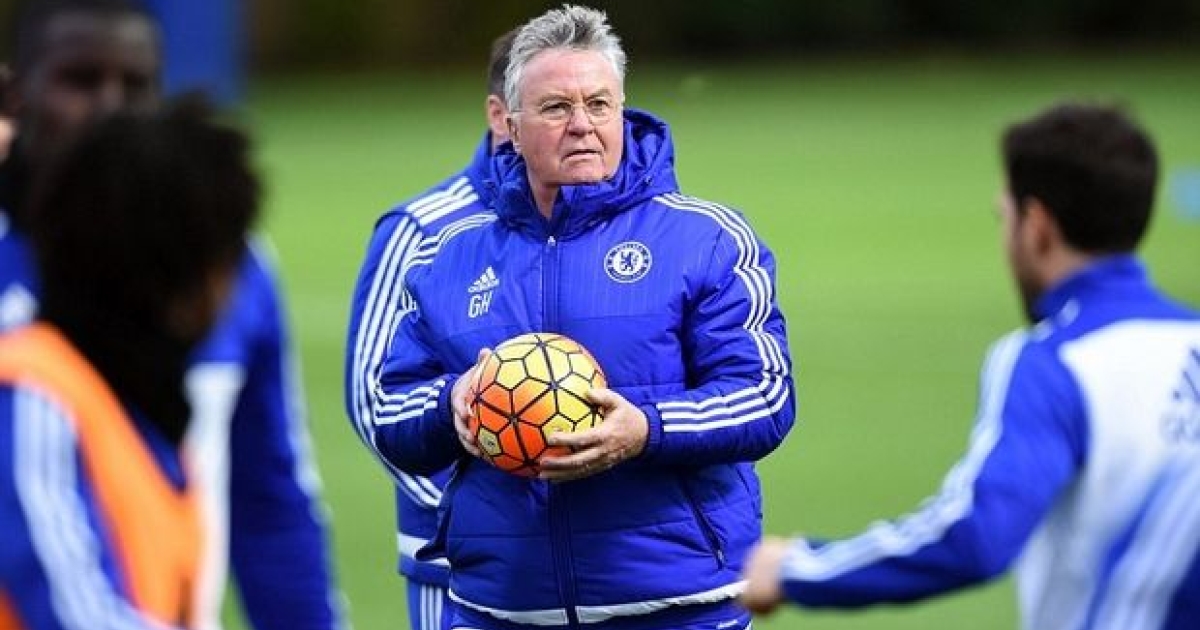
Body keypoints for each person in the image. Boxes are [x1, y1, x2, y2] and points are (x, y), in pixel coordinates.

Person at [360, 5, 795, 630]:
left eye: (599, 104)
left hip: (678, 606)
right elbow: (388, 412)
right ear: (511, 126)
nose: (582, 124)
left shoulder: (707, 238)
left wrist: (645, 429)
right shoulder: (447, 257)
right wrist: (450, 405)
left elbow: (764, 396)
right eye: (556, 107)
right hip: (500, 609)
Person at [739, 102, 1200, 629]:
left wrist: (797, 570)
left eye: (1004, 217)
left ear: (1037, 226)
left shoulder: (1053, 363)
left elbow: (979, 535)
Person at [0, 2, 346, 629]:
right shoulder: (31, 381)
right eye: (80, 80)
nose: (110, 107)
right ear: (19, 95)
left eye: (136, 84)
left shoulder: (225, 261)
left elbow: (269, 497)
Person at [0, 100, 257, 630]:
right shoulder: (31, 393)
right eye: (228, 260)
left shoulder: (140, 414)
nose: (233, 291)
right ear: (177, 276)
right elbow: (76, 617)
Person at [345, 26, 517, 630]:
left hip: (595, 570)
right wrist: (478, 514)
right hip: (454, 567)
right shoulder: (420, 230)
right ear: (500, 115)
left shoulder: (618, 223)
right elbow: (373, 399)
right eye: (550, 104)